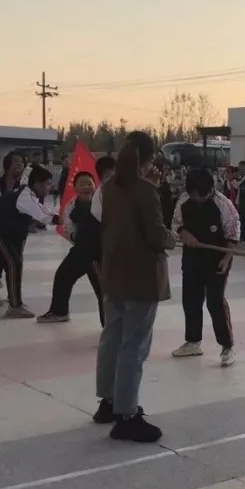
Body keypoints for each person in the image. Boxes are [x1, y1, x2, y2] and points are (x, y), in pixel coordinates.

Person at [94, 132, 175, 441]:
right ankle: (127, 415)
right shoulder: (145, 190)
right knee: (134, 345)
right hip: (141, 276)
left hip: (114, 272)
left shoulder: (109, 187)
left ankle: (109, 401)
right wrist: (172, 239)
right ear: (150, 158)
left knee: (112, 337)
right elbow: (156, 235)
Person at [170, 168, 241, 367]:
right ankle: (193, 342)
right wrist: (184, 234)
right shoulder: (184, 200)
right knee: (191, 299)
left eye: (201, 195)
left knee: (214, 302)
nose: (197, 199)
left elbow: (233, 234)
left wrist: (226, 259)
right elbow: (175, 224)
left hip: (218, 257)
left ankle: (227, 346)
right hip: (192, 256)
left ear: (210, 190)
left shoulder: (224, 205)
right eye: (193, 195)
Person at [0, 165, 58, 317]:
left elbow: (37, 210)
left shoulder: (27, 193)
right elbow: (42, 213)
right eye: (47, 184)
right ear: (37, 183)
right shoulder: (25, 196)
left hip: (2, 231)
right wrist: (61, 219)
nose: (50, 187)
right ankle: (14, 306)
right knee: (13, 263)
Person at [38, 170, 106, 325]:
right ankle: (59, 311)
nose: (86, 186)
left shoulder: (101, 203)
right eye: (81, 184)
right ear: (75, 187)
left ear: (95, 185)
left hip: (96, 253)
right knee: (63, 276)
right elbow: (67, 227)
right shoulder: (71, 205)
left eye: (89, 183)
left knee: (103, 289)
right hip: (80, 250)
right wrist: (75, 239)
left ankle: (110, 328)